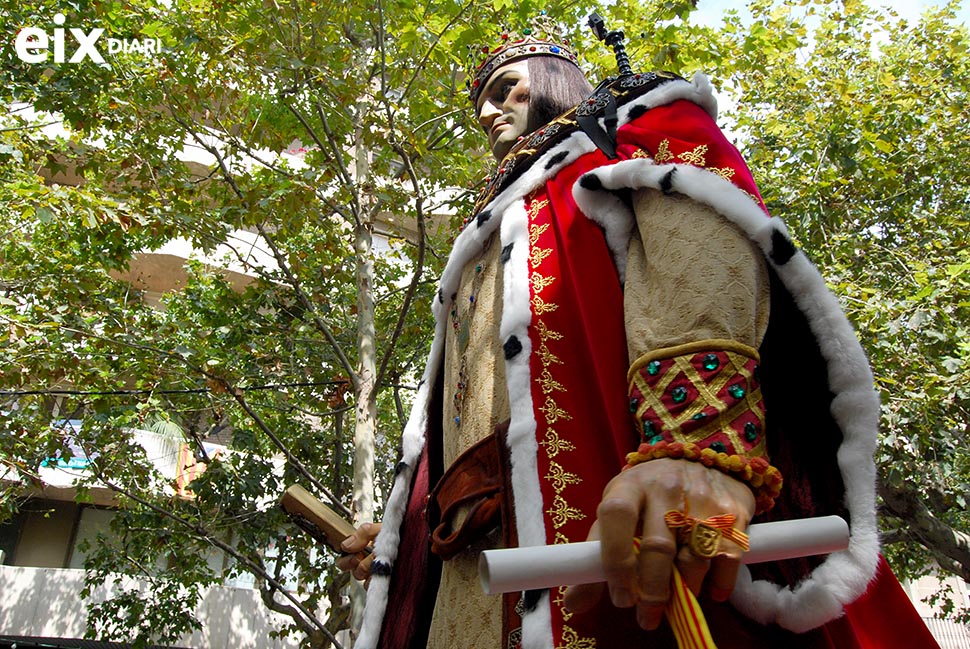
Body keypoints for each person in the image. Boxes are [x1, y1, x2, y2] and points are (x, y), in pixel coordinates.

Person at [339, 17, 940, 649]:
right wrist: (403, 545)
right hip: (473, 596)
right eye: (481, 101)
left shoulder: (618, 134)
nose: (489, 111)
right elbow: (461, 426)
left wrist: (696, 451)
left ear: (552, 81)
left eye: (506, 89)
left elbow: (698, 248)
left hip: (625, 549)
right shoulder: (482, 235)